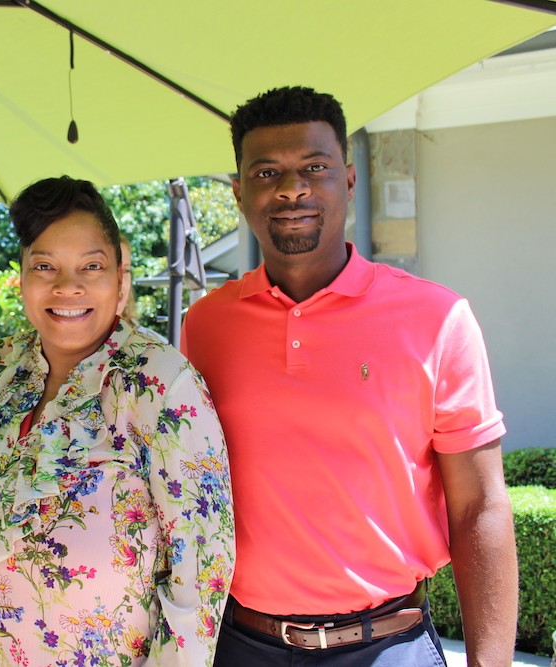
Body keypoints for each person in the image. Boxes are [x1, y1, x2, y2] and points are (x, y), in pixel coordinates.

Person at [180, 86, 517, 665]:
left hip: (388, 645)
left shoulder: (438, 318)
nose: (292, 188)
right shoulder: (206, 325)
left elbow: (479, 506)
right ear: (239, 193)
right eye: (266, 172)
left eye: (315, 167)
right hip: (240, 644)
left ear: (350, 180)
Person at [0, 176, 235, 666]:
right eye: (44, 265)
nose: (66, 286)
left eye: (91, 266)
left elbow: (202, 577)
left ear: (120, 280)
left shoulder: (160, 384)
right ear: (22, 277)